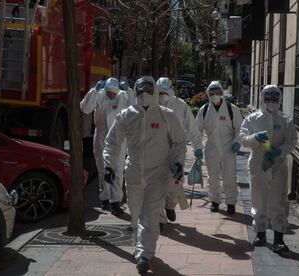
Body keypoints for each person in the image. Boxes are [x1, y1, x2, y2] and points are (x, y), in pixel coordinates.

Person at [103, 76, 187, 274]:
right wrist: (109, 166)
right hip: (133, 173)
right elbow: (112, 142)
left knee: (149, 215)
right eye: (141, 91)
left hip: (158, 174)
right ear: (135, 92)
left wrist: (177, 163)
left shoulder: (167, 115)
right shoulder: (126, 115)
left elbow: (179, 142)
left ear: (155, 92)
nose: (144, 95)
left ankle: (144, 255)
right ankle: (141, 246)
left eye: (149, 90)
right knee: (136, 214)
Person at [239, 85, 297, 253]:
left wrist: (280, 151)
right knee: (258, 199)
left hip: (278, 165)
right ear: (262, 98)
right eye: (268, 98)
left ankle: (279, 238)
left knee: (278, 200)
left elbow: (292, 140)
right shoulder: (253, 118)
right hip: (258, 165)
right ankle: (260, 233)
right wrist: (255, 138)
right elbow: (242, 138)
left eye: (274, 98)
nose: (271, 101)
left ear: (279, 100)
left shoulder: (285, 120)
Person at [156, 77, 203, 226]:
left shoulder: (180, 105)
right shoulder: (151, 105)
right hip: (157, 147)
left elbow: (191, 127)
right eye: (160, 92)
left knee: (176, 179)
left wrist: (198, 147)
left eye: (165, 92)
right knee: (157, 182)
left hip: (177, 148)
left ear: (171, 90)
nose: (163, 96)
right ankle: (160, 218)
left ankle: (171, 205)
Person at [80, 77, 129, 216]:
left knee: (118, 171)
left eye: (113, 93)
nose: (111, 95)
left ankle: (116, 202)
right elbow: (85, 108)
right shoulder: (99, 95)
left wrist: (130, 90)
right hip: (101, 136)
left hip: (119, 138)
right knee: (103, 170)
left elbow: (135, 106)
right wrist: (93, 91)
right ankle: (105, 198)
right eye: (109, 92)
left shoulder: (123, 96)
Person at [195, 81, 244, 214]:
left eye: (217, 92)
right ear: (208, 94)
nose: (215, 95)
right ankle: (215, 201)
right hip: (211, 148)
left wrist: (237, 141)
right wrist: (197, 147)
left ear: (222, 93)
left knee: (230, 177)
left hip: (229, 148)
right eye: (212, 93)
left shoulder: (231, 109)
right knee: (213, 177)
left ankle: (231, 203)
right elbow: (197, 130)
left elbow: (240, 128)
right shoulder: (204, 110)